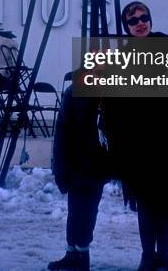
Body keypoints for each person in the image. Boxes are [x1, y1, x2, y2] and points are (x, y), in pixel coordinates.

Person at [104, 1, 168, 271]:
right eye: (133, 20)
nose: (140, 23)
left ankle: (164, 256)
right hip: (137, 148)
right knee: (147, 204)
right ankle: (148, 255)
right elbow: (113, 110)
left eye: (144, 17)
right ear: (126, 27)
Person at [48, 82, 109, 271]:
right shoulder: (73, 92)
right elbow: (62, 131)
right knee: (75, 209)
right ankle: (72, 252)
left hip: (95, 163)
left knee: (87, 209)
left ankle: (81, 253)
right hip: (75, 162)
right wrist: (60, 167)